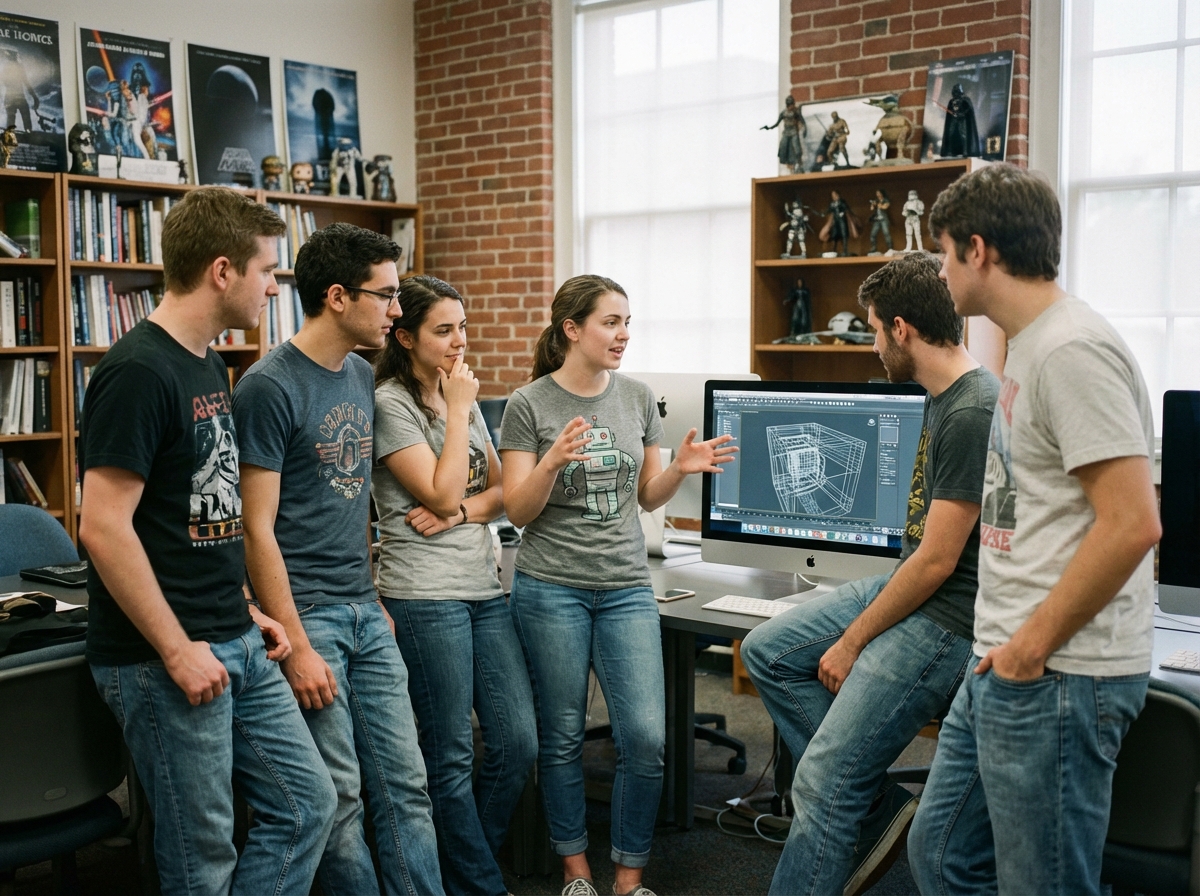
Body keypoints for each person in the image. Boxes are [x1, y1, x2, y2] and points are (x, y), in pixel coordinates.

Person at [907, 163, 1161, 894]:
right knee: (942, 854)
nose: (943, 269)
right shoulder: (1030, 344)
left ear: (979, 251)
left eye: (947, 252)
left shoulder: (1072, 349)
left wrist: (1029, 648)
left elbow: (1134, 523)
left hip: (1055, 673)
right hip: (1005, 660)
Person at [78, 187, 337, 895]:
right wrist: (174, 646)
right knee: (203, 859)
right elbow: (102, 526)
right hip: (163, 657)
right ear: (222, 271)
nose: (274, 285)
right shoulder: (138, 371)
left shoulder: (203, 362)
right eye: (266, 270)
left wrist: (243, 607)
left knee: (307, 805)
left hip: (231, 633)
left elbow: (197, 513)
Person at [740, 252, 1000, 896]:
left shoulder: (971, 409)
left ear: (903, 329)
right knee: (768, 649)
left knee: (823, 777)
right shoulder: (943, 397)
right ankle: (876, 806)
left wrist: (853, 639)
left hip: (948, 615)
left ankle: (843, 794)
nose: (873, 344)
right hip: (914, 581)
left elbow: (940, 562)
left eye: (876, 329)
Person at [499, 275, 737, 896]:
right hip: (551, 586)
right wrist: (551, 461)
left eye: (628, 321)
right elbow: (519, 512)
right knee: (561, 736)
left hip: (627, 586)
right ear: (571, 329)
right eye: (610, 322)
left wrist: (681, 472)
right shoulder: (530, 404)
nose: (624, 334)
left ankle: (628, 878)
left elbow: (645, 495)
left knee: (646, 738)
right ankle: (576, 869)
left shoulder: (636, 397)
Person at [233, 223, 443, 896]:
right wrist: (293, 642)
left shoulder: (359, 372)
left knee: (407, 787)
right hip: (309, 618)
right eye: (385, 295)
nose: (397, 310)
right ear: (335, 297)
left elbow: (350, 506)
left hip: (362, 608)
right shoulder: (268, 387)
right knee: (341, 802)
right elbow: (255, 530)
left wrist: (373, 595)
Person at [372, 275, 538, 895]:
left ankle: (457, 865)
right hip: (422, 594)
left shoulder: (457, 391)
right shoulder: (391, 403)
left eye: (462, 327)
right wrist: (461, 411)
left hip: (482, 584)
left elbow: (505, 493)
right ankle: (480, 885)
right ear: (405, 336)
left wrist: (461, 512)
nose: (458, 342)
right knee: (448, 755)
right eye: (443, 331)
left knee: (518, 741)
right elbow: (441, 488)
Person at [762, 95, 805, 173]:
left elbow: (802, 121)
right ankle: (788, 164)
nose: (792, 106)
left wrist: (805, 130)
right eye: (791, 104)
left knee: (797, 149)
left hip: (794, 132)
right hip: (786, 132)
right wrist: (769, 128)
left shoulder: (796, 112)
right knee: (783, 146)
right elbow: (777, 123)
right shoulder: (783, 113)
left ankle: (799, 163)